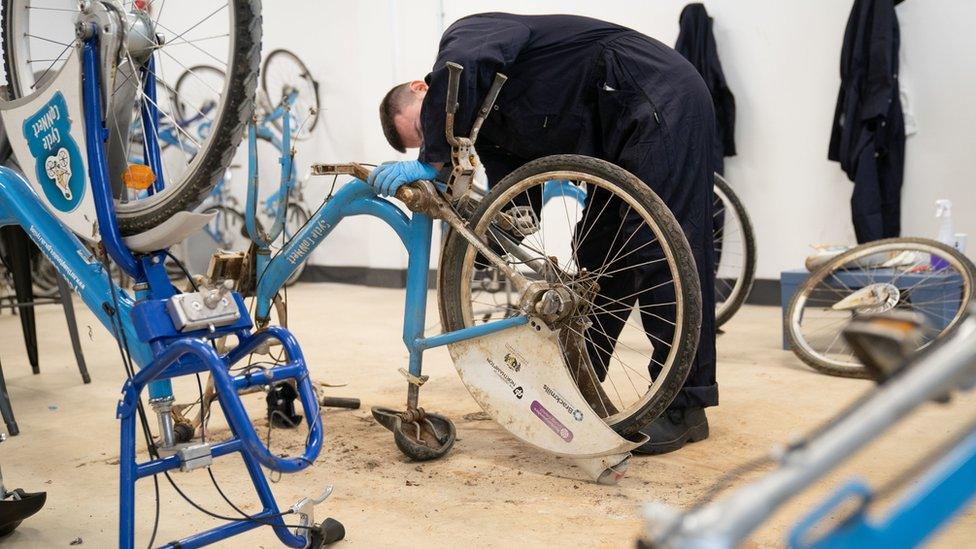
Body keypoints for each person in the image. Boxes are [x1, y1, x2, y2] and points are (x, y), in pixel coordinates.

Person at [370, 12, 717, 455]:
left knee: (657, 252)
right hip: (621, 133)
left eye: (421, 127)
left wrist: (432, 157)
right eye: (420, 143)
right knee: (599, 250)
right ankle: (580, 383)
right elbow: (514, 198)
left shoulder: (465, 36)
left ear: (423, 89)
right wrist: (472, 230)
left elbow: (467, 59)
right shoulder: (488, 128)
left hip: (655, 96)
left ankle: (686, 407)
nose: (430, 140)